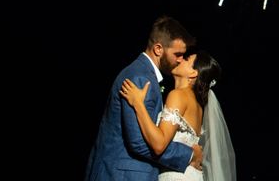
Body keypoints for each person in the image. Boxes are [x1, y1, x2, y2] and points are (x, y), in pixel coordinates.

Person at [85, 15, 203, 181]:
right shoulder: (140, 78)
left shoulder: (145, 75)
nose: (180, 60)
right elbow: (139, 143)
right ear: (158, 49)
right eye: (177, 54)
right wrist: (188, 155)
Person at [120, 49, 236, 181]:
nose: (180, 60)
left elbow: (159, 145)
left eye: (186, 59)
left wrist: (138, 104)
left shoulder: (178, 95)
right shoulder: (196, 104)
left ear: (193, 73)